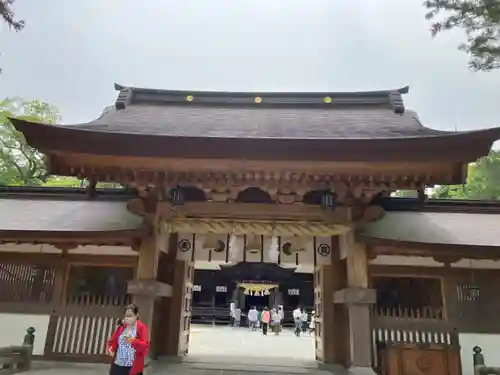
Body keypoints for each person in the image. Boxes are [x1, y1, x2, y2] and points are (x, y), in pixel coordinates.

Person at [107, 304, 149, 375]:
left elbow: (145, 345)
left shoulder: (141, 328)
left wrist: (133, 341)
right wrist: (111, 349)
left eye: (131, 316)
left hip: (132, 366)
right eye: (127, 316)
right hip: (118, 364)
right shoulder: (121, 327)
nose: (128, 318)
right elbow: (112, 341)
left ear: (137, 315)